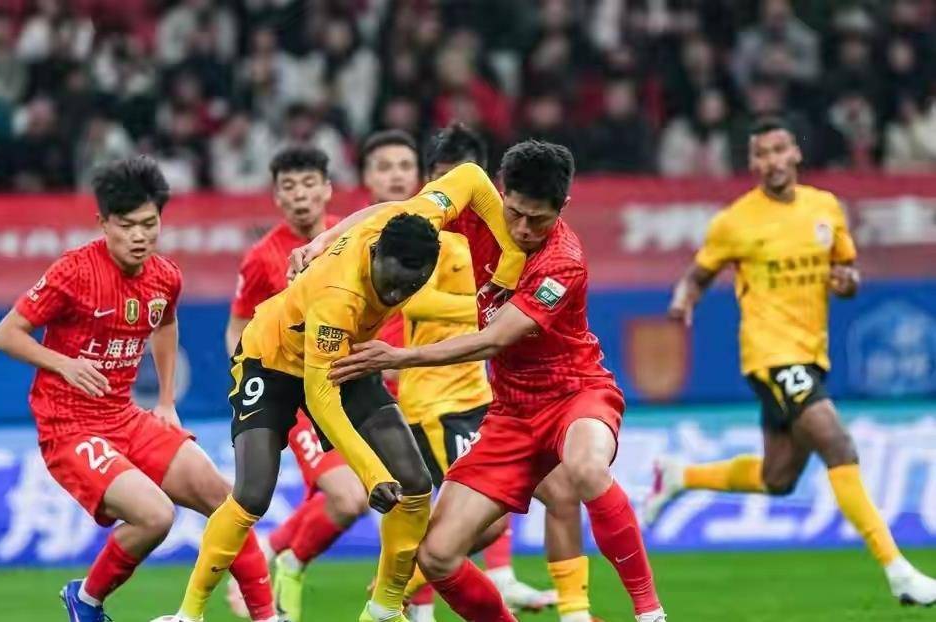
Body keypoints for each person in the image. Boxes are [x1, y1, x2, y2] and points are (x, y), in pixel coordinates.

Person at [170, 162, 527, 622]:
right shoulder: (339, 295)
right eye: (391, 282)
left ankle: (383, 609)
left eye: (410, 285)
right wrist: (371, 473)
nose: (396, 294)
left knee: (415, 484)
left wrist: (510, 265)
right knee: (252, 494)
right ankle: (189, 613)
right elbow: (321, 399)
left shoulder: (418, 220)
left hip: (348, 356)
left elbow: (473, 177)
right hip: (273, 359)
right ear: (375, 253)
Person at [326, 140, 667, 622]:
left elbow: (494, 339)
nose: (523, 229)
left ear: (563, 208)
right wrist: (323, 242)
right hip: (511, 413)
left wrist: (400, 356)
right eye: (516, 213)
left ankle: (649, 612)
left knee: (586, 470)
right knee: (437, 555)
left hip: (577, 392)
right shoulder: (480, 212)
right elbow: (393, 215)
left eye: (538, 220)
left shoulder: (562, 261)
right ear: (501, 193)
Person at [643, 116, 936, 607]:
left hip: (810, 352)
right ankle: (899, 572)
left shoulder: (825, 208)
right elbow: (698, 274)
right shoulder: (736, 221)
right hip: (770, 353)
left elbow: (846, 272)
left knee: (777, 478)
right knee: (838, 444)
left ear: (796, 152)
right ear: (752, 162)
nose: (772, 161)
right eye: (761, 154)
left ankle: (679, 475)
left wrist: (847, 282)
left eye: (779, 150)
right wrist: (683, 300)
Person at [0, 156, 276, 622]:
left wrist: (165, 400)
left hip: (123, 416)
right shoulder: (74, 272)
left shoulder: (165, 276)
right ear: (103, 223)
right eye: (126, 226)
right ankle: (86, 599)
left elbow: (166, 323)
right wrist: (64, 364)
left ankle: (268, 617)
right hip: (70, 427)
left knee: (229, 501)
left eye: (149, 223)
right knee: (156, 516)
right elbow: (5, 334)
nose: (139, 236)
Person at [380, 125, 598, 622]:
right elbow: (414, 301)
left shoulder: (503, 234)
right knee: (460, 527)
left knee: (559, 493)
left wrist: (506, 316)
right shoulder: (429, 235)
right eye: (441, 178)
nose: (452, 194)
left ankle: (573, 611)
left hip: (483, 392)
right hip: (438, 400)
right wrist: (493, 314)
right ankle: (397, 595)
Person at [223, 145, 369, 622]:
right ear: (277, 197)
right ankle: (278, 559)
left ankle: (278, 553)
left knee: (366, 496)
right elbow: (237, 327)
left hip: (349, 384)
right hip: (297, 393)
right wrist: (253, 381)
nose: (300, 195)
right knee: (349, 496)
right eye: (289, 187)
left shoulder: (352, 235)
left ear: (327, 189)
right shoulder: (262, 257)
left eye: (309, 184)